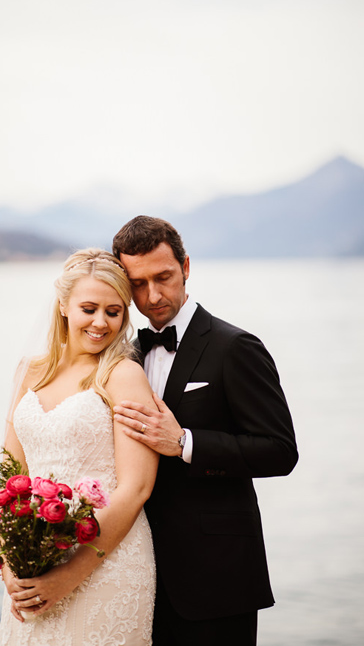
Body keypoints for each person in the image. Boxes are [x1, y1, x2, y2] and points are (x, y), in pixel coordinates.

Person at [110, 216, 298, 646]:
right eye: (138, 284)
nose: (153, 295)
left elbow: (280, 451)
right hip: (138, 575)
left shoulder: (236, 347)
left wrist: (184, 443)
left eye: (164, 277)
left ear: (186, 267)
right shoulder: (125, 356)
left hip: (218, 577)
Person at [0, 248, 159, 646]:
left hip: (109, 564)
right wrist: (10, 565)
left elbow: (136, 488)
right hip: (33, 559)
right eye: (89, 308)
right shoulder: (29, 371)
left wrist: (69, 575)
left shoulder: (124, 375)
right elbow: (10, 476)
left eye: (114, 311)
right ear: (64, 306)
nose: (101, 323)